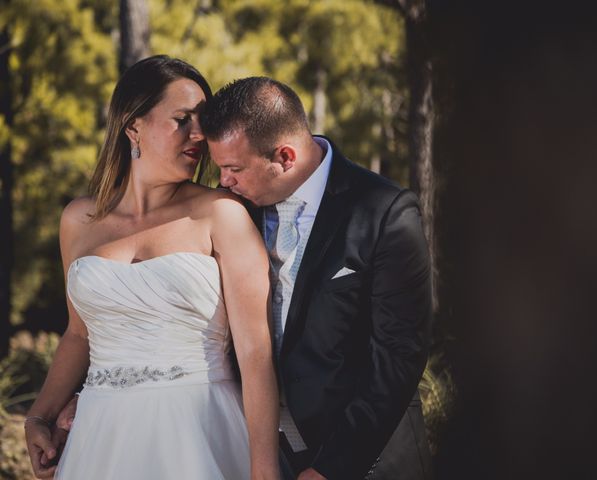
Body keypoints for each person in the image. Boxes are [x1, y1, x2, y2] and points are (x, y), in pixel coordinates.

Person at [23, 56, 279, 480]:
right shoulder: (77, 220)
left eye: (203, 120)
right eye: (182, 119)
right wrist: (38, 416)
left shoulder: (222, 214)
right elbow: (78, 333)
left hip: (200, 430)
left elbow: (256, 355)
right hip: (101, 437)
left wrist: (264, 472)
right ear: (132, 127)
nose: (199, 134)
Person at [202, 77, 432, 480]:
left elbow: (398, 355)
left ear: (285, 157)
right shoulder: (232, 211)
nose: (223, 182)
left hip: (364, 460)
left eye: (233, 168)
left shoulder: (384, 212)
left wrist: (331, 468)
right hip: (255, 454)